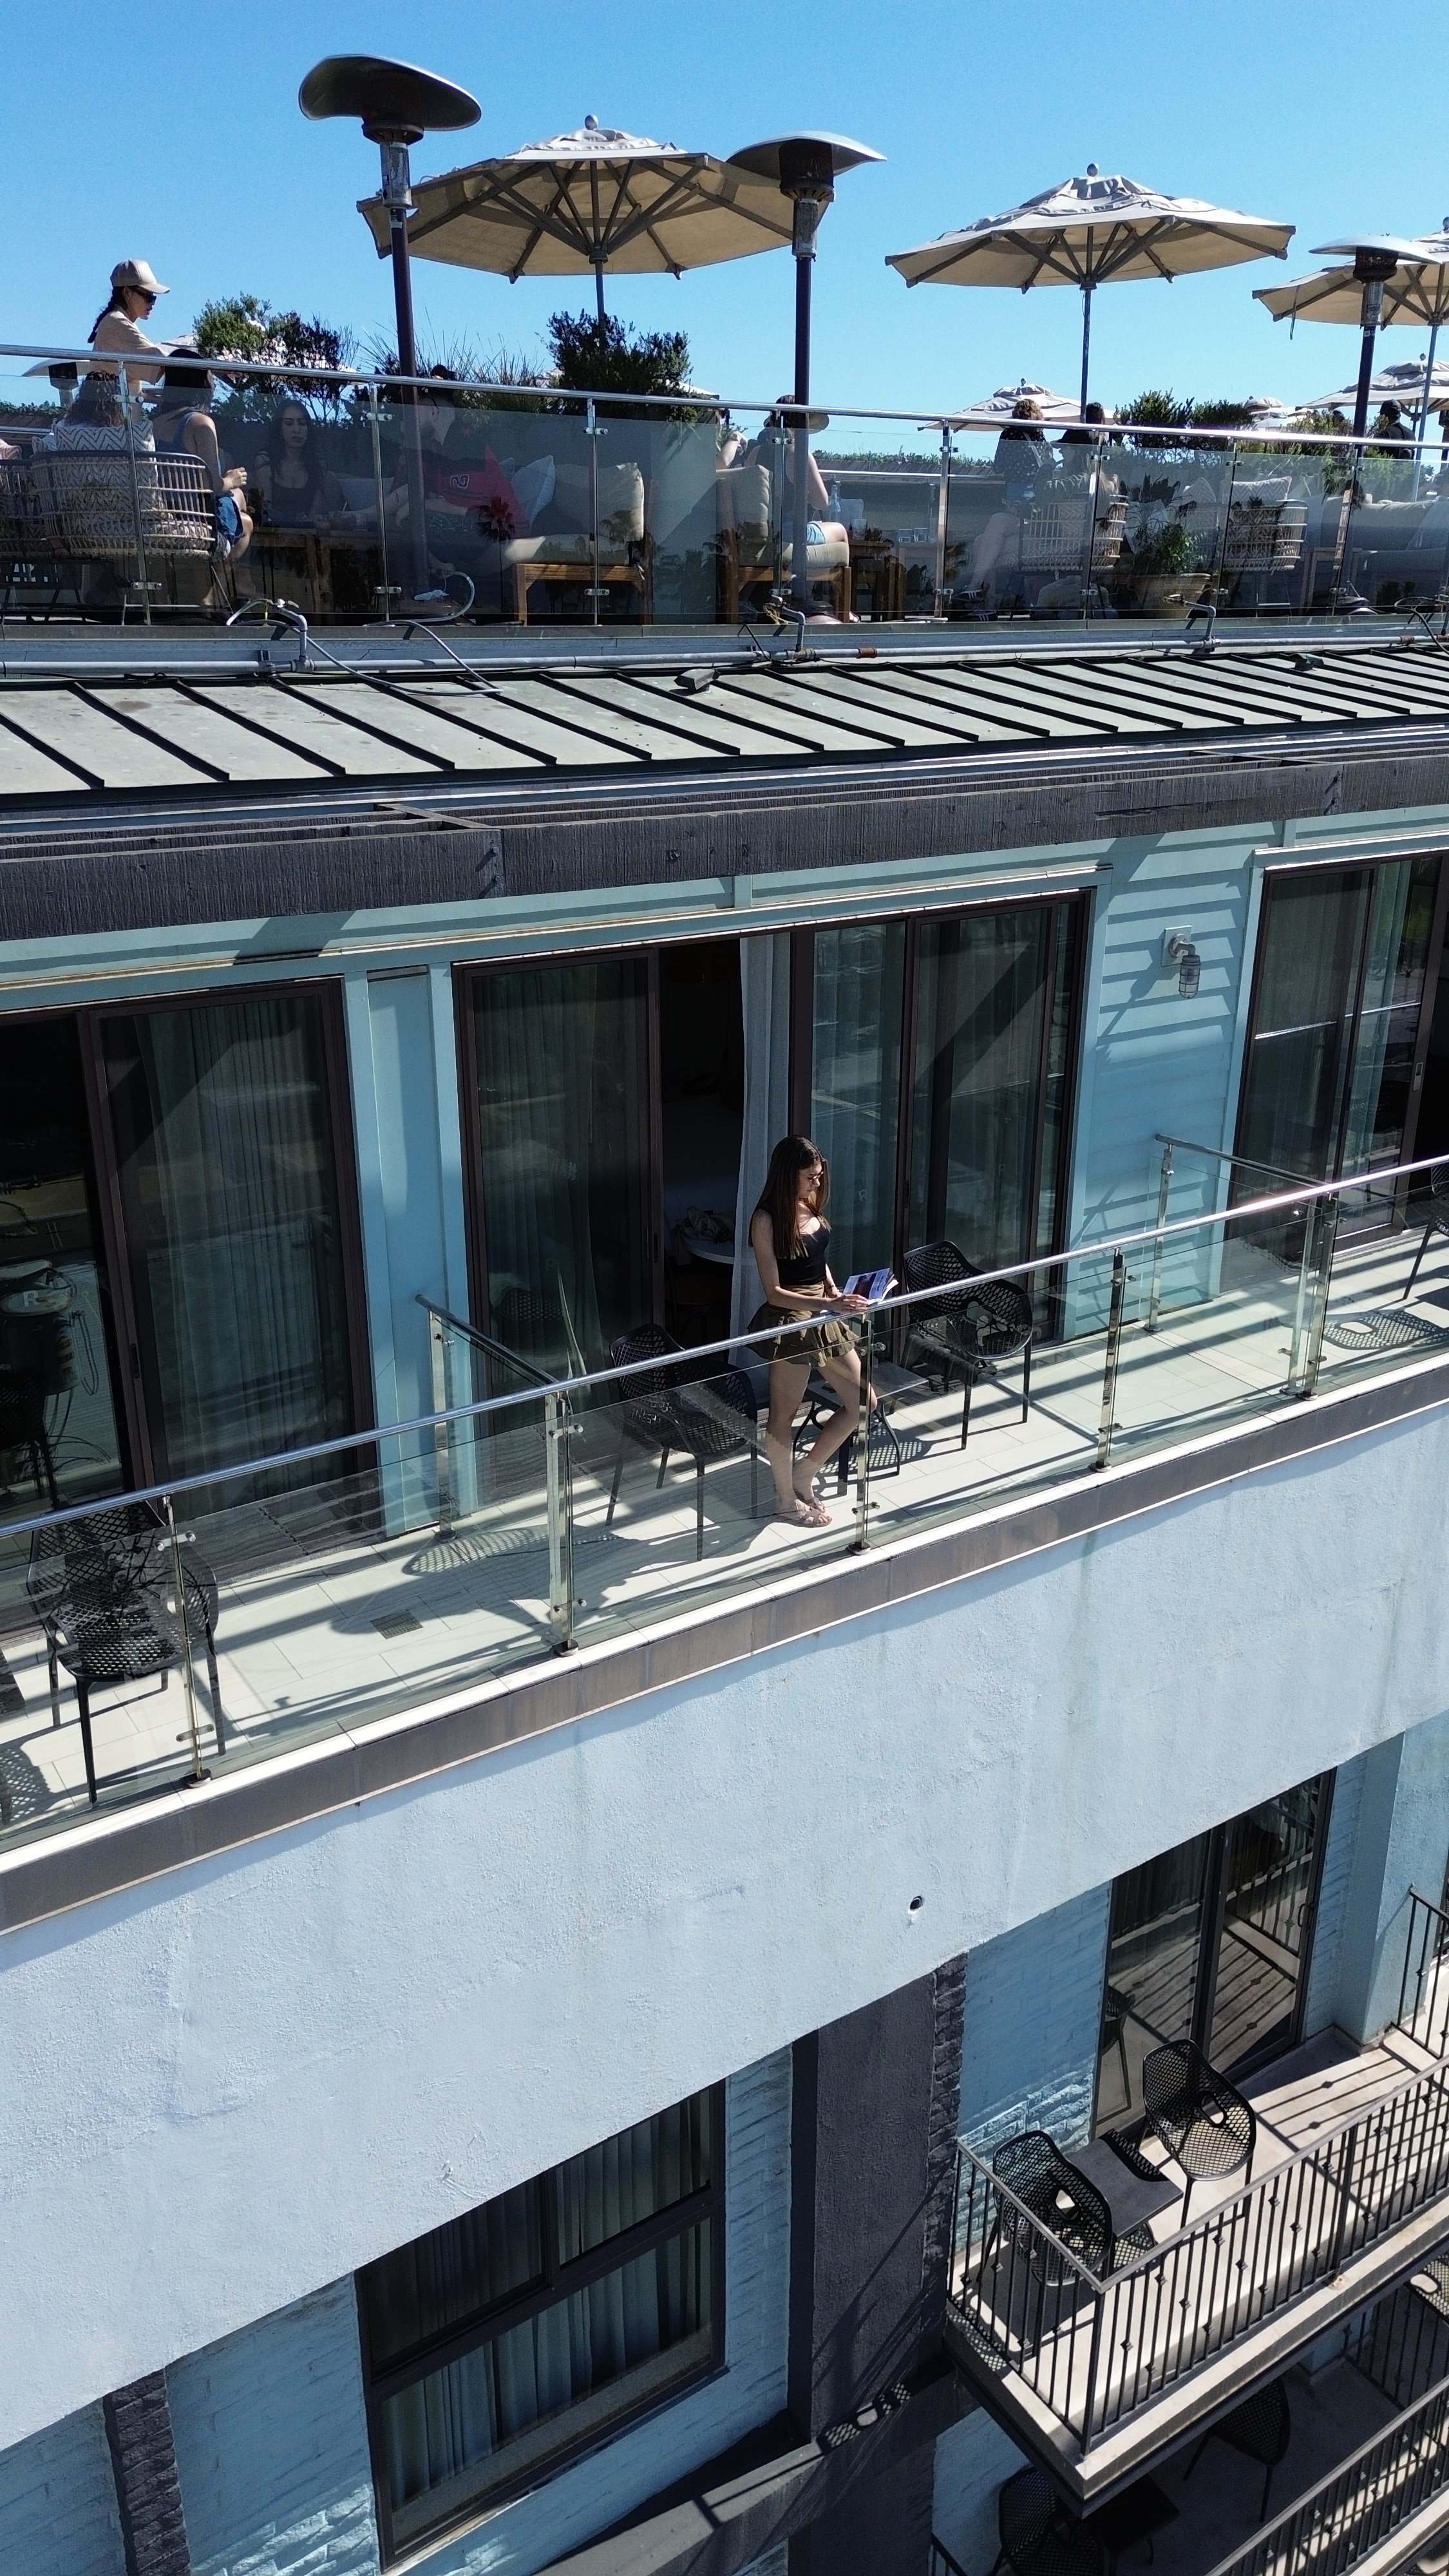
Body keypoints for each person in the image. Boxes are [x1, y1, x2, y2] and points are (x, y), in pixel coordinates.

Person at [748, 1135, 874, 1528]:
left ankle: (804, 1473)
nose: (817, 1185)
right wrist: (829, 1304)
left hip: (823, 1312)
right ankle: (785, 1501)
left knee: (864, 1403)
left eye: (819, 1177)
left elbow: (817, 1257)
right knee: (782, 1416)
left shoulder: (808, 1204)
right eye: (809, 1178)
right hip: (792, 1321)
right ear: (789, 1177)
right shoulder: (766, 1219)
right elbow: (774, 1292)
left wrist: (835, 1290)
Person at [151, 360, 252, 568]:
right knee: (243, 508)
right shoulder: (200, 423)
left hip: (164, 512)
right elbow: (213, 485)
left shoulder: (152, 425)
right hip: (196, 516)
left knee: (243, 518)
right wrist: (232, 480)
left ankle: (227, 585)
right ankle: (221, 589)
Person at [961, 397, 1055, 602]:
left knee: (990, 531)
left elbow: (999, 465)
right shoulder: (1042, 438)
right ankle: (986, 599)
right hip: (1036, 511)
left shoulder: (1009, 434)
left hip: (1020, 502)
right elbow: (1048, 469)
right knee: (981, 542)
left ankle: (980, 593)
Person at [251, 400, 345, 529]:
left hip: (308, 538)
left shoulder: (318, 464)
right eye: (289, 423)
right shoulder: (265, 460)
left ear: (308, 429)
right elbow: (265, 511)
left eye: (302, 424)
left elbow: (314, 517)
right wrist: (292, 520)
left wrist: (308, 523)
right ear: (280, 430)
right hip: (272, 536)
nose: (296, 430)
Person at [88, 259, 170, 390]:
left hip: (115, 406)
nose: (152, 303)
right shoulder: (116, 322)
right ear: (127, 293)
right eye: (148, 296)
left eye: (154, 298)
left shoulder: (114, 320)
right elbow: (159, 362)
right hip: (114, 408)